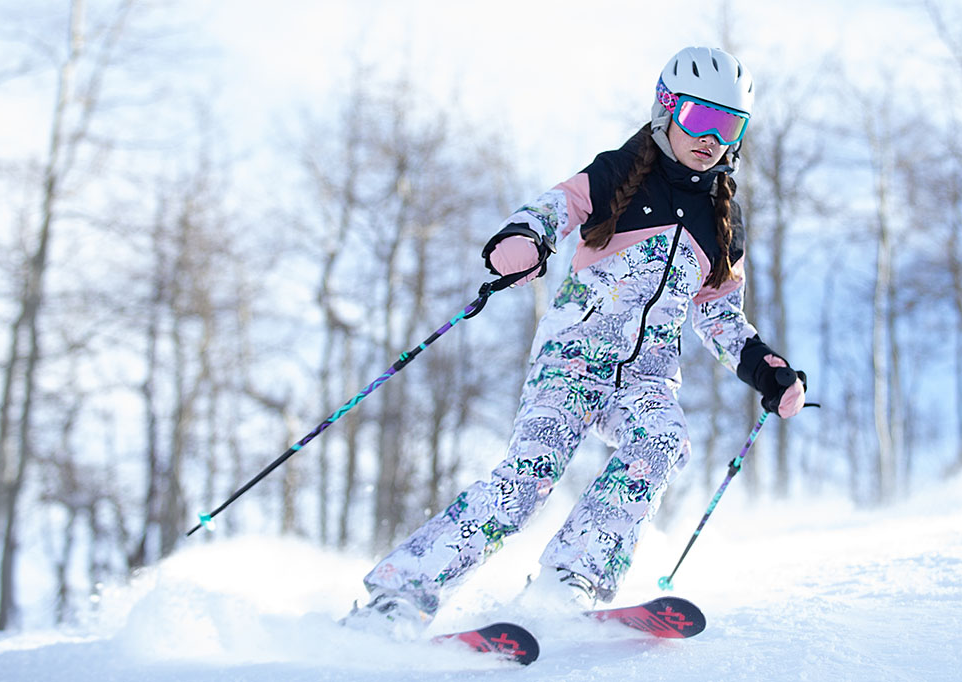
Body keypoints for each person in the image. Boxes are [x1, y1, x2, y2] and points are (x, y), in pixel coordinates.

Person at [343, 46, 806, 640]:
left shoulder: (723, 219)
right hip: (573, 361)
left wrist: (765, 368)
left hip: (647, 378)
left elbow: (718, 313)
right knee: (529, 475)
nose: (712, 139)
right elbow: (554, 207)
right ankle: (400, 596)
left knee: (662, 442)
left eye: (730, 126)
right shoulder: (619, 173)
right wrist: (524, 238)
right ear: (667, 108)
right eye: (701, 118)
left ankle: (570, 578)